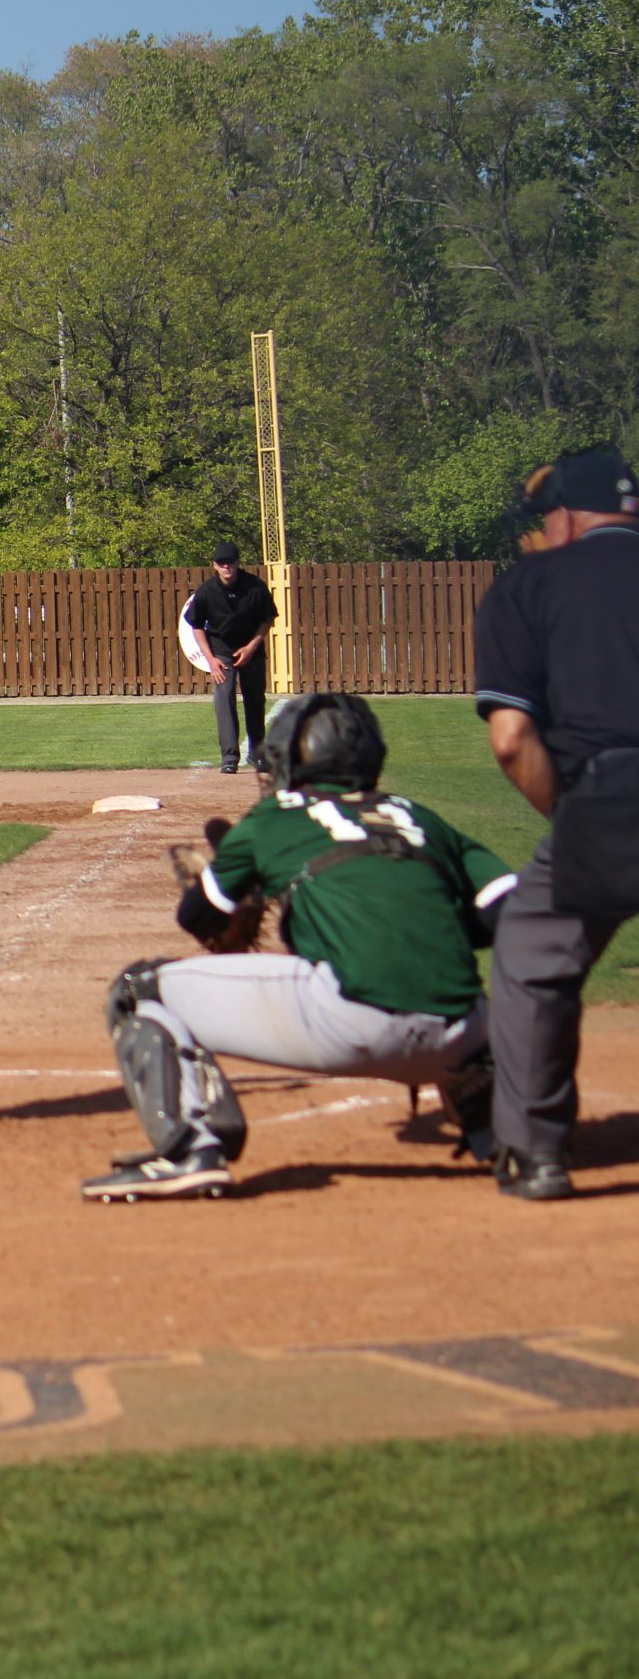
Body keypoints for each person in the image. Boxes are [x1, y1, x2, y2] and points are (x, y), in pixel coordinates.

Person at [83, 693, 516, 1201]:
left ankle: (189, 1151)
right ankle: (498, 1129)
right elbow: (512, 914)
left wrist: (243, 895)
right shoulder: (419, 817)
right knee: (447, 982)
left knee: (138, 990)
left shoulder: (276, 815)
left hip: (347, 1026)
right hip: (464, 1033)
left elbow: (196, 917)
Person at [474, 444, 639, 1202]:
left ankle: (535, 1151)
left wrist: (570, 820)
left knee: (533, 956)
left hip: (609, 796)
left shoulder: (532, 584)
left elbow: (512, 738)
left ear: (566, 515)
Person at [184, 540, 277, 774]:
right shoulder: (206, 591)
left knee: (255, 699)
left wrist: (251, 647)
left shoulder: (255, 587)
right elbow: (196, 626)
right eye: (221, 563)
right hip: (221, 650)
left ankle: (258, 754)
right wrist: (211, 659)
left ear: (238, 564)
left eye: (231, 562)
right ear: (214, 565)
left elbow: (267, 619)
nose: (226, 567)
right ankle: (229, 757)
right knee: (224, 699)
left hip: (250, 648)